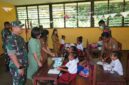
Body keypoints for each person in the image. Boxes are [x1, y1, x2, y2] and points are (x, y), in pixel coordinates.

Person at [6, 21, 28, 85]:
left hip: (23, 64)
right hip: (17, 66)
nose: (22, 28)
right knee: (18, 82)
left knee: (22, 82)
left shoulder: (20, 38)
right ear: (13, 28)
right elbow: (12, 54)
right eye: (20, 26)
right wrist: (19, 67)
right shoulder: (10, 38)